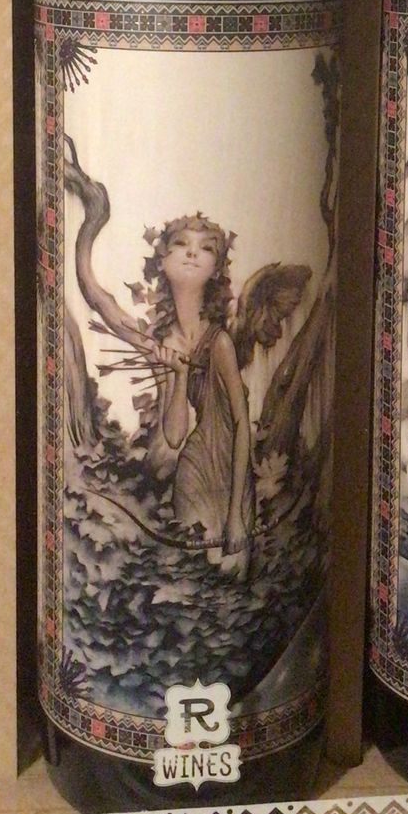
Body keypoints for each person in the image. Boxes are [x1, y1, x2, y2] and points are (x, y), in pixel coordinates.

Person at [143, 217, 255, 580]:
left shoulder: (219, 342)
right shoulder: (167, 342)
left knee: (232, 579)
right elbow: (175, 436)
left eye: (205, 248)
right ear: (162, 260)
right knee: (194, 577)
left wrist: (236, 514)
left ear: (216, 269)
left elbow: (241, 422)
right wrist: (179, 376)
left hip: (230, 468)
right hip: (194, 467)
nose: (192, 253)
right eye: (181, 243)